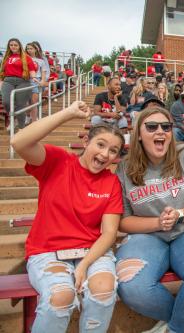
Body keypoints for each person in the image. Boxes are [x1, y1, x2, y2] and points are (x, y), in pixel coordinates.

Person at [11, 101, 124, 333]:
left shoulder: (111, 181)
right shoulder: (58, 161)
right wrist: (68, 113)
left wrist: (84, 264)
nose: (105, 154)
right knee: (61, 295)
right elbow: (18, 142)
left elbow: (110, 232)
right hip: (47, 251)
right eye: (100, 145)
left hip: (90, 251)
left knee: (104, 289)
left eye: (113, 151)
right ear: (86, 142)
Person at [114, 107, 184, 333]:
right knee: (130, 285)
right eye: (151, 127)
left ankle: (173, 329)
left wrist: (180, 214)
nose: (160, 131)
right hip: (146, 235)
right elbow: (123, 221)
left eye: (166, 127)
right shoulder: (125, 167)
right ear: (139, 134)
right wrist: (158, 223)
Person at [0, 38, 37, 130]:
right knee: (6, 101)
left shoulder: (26, 57)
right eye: (11, 45)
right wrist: (1, 82)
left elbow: (32, 69)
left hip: (23, 81)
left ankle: (21, 127)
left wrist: (34, 78)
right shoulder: (6, 57)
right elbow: (2, 71)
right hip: (8, 80)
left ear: (19, 46)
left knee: (20, 105)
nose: (13, 47)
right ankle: (13, 119)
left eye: (15, 45)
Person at [25, 42, 47, 125]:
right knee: (26, 103)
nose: (29, 50)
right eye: (28, 48)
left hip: (35, 80)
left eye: (31, 48)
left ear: (35, 49)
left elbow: (43, 72)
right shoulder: (24, 59)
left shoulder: (40, 61)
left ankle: (34, 121)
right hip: (25, 80)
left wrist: (43, 81)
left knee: (34, 102)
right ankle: (27, 116)